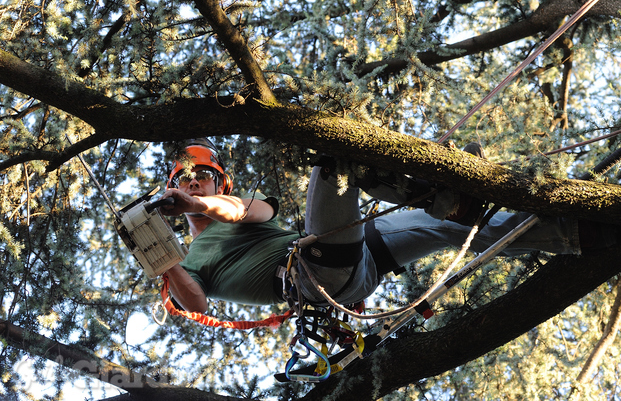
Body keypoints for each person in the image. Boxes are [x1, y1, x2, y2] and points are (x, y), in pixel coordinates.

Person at [159, 139, 618, 313]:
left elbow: (249, 212)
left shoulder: (237, 205)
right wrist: (159, 258)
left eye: (204, 178)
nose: (196, 185)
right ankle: (448, 198)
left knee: (449, 229)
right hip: (313, 274)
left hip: (351, 263)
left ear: (220, 183)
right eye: (188, 181)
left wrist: (199, 203)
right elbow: (196, 301)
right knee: (335, 161)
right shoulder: (189, 260)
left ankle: (580, 234)